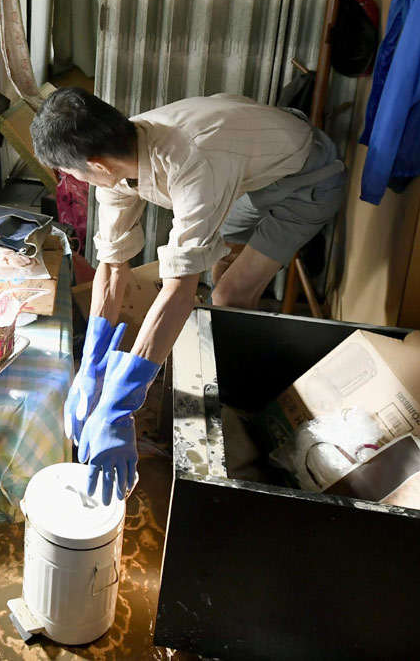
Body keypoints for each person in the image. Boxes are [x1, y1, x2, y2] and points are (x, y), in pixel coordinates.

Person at [30, 88, 346, 502]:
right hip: (247, 170)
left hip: (306, 178)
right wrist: (92, 363)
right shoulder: (118, 147)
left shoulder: (190, 163)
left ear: (96, 165)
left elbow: (180, 290)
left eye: (72, 173)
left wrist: (121, 403)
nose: (74, 181)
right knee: (216, 269)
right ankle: (216, 381)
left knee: (229, 294)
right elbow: (111, 266)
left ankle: (237, 416)